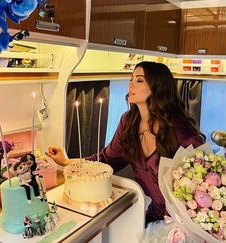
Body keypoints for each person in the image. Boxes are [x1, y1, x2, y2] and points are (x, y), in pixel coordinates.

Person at [46, 61, 205, 225]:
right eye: (131, 78)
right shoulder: (129, 122)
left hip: (184, 220)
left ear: (159, 87)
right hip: (154, 215)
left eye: (139, 80)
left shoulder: (180, 131)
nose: (131, 84)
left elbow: (204, 183)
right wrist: (66, 162)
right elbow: (106, 160)